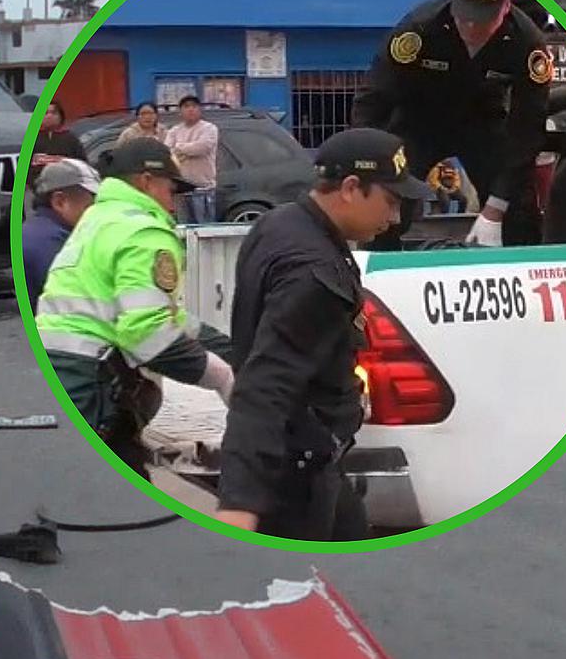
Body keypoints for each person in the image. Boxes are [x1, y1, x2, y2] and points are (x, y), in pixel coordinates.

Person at [213, 128, 431, 541]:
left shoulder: (280, 224)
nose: (395, 218)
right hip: (295, 479)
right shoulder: (314, 273)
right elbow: (265, 386)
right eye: (391, 200)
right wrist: (240, 504)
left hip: (312, 461)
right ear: (351, 188)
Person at [36, 138, 236, 479]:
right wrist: (222, 376)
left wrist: (224, 346)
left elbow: (153, 314)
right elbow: (146, 333)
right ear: (146, 181)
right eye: (171, 190)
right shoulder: (145, 231)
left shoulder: (100, 218)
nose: (173, 204)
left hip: (59, 368)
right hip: (92, 382)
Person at [351, 0, 552, 248]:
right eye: (464, 15)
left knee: (518, 205)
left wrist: (495, 210)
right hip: (419, 119)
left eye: (481, 19)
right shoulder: (418, 30)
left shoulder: (527, 45)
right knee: (388, 197)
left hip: (483, 121)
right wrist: (366, 162)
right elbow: (374, 99)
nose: (470, 26)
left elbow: (527, 127)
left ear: (506, 6)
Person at [21, 158, 100, 308]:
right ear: (59, 202)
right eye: (90, 206)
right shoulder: (53, 244)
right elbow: (78, 304)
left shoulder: (35, 231)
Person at [164, 95, 220, 224]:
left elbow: (202, 147)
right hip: (180, 189)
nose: (190, 109)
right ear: (180, 111)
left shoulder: (209, 128)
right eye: (186, 106)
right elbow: (167, 151)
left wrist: (179, 147)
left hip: (202, 188)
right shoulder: (174, 131)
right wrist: (186, 150)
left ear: (200, 109)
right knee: (184, 229)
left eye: (194, 106)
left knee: (203, 227)